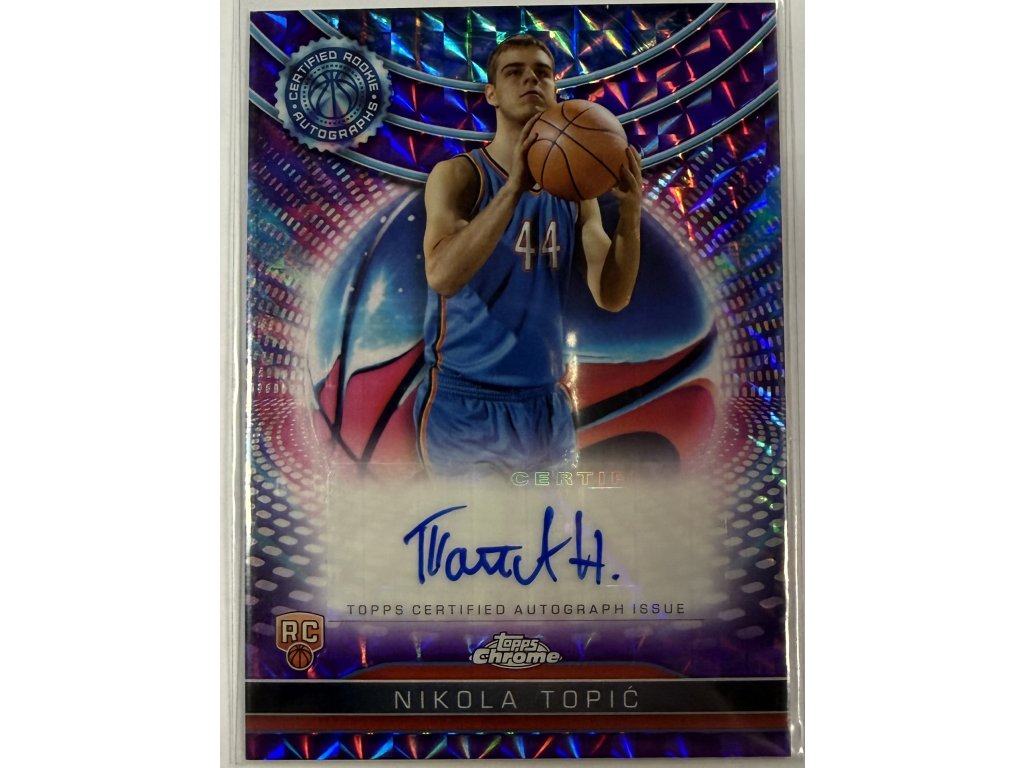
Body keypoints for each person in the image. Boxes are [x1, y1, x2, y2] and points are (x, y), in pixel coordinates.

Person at [414, 34, 643, 477]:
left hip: (544, 403)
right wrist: (515, 187)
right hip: (467, 405)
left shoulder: (578, 193)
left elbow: (612, 295)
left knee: (550, 522)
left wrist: (630, 217)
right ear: (492, 94)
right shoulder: (460, 176)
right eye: (514, 72)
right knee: (485, 520)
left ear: (556, 90)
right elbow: (442, 276)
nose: (531, 80)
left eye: (542, 72)